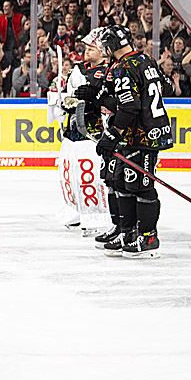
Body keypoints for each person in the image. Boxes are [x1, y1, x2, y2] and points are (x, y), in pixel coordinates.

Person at [78, 25, 173, 258]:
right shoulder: (145, 59)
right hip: (142, 132)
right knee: (122, 182)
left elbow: (129, 106)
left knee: (141, 186)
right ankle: (128, 232)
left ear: (110, 46)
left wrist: (112, 135)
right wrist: (96, 95)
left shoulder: (124, 66)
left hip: (141, 134)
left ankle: (148, 237)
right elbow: (166, 88)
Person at [53, 27, 112, 237]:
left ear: (104, 50)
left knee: (89, 174)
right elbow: (68, 95)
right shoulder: (78, 69)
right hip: (72, 130)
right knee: (68, 172)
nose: (87, 49)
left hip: (93, 132)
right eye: (86, 46)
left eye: (92, 46)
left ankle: (95, 215)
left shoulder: (110, 70)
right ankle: (75, 209)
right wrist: (62, 99)